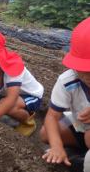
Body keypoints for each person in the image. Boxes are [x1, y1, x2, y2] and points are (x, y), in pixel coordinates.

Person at [40, 17, 90, 169]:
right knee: (45, 133)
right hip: (82, 126)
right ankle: (75, 152)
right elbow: (52, 116)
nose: (88, 75)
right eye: (84, 70)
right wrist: (56, 146)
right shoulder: (67, 81)